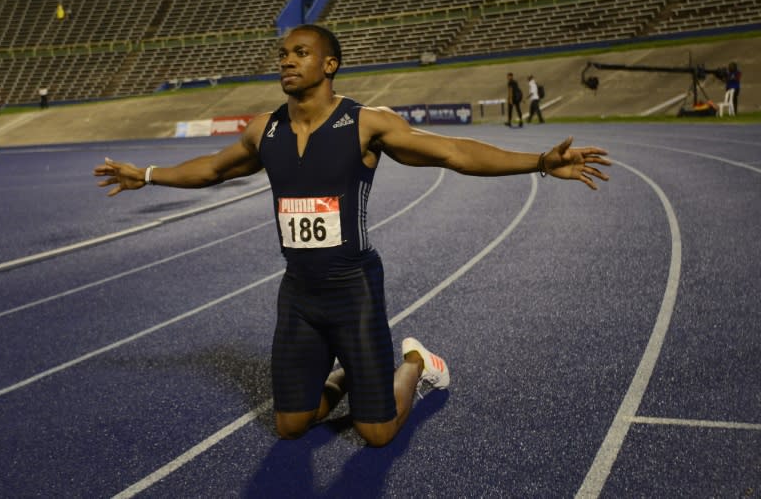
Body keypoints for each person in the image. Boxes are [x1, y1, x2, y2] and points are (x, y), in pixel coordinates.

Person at [94, 24, 610, 448]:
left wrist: (540, 162)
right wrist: (147, 174)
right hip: (298, 294)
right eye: (282, 54)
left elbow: (454, 152)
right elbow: (211, 169)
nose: (287, 61)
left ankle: (417, 364)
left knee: (378, 433)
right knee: (291, 425)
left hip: (353, 290)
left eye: (300, 53)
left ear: (329, 65)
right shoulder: (264, 129)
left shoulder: (365, 123)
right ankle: (346, 376)